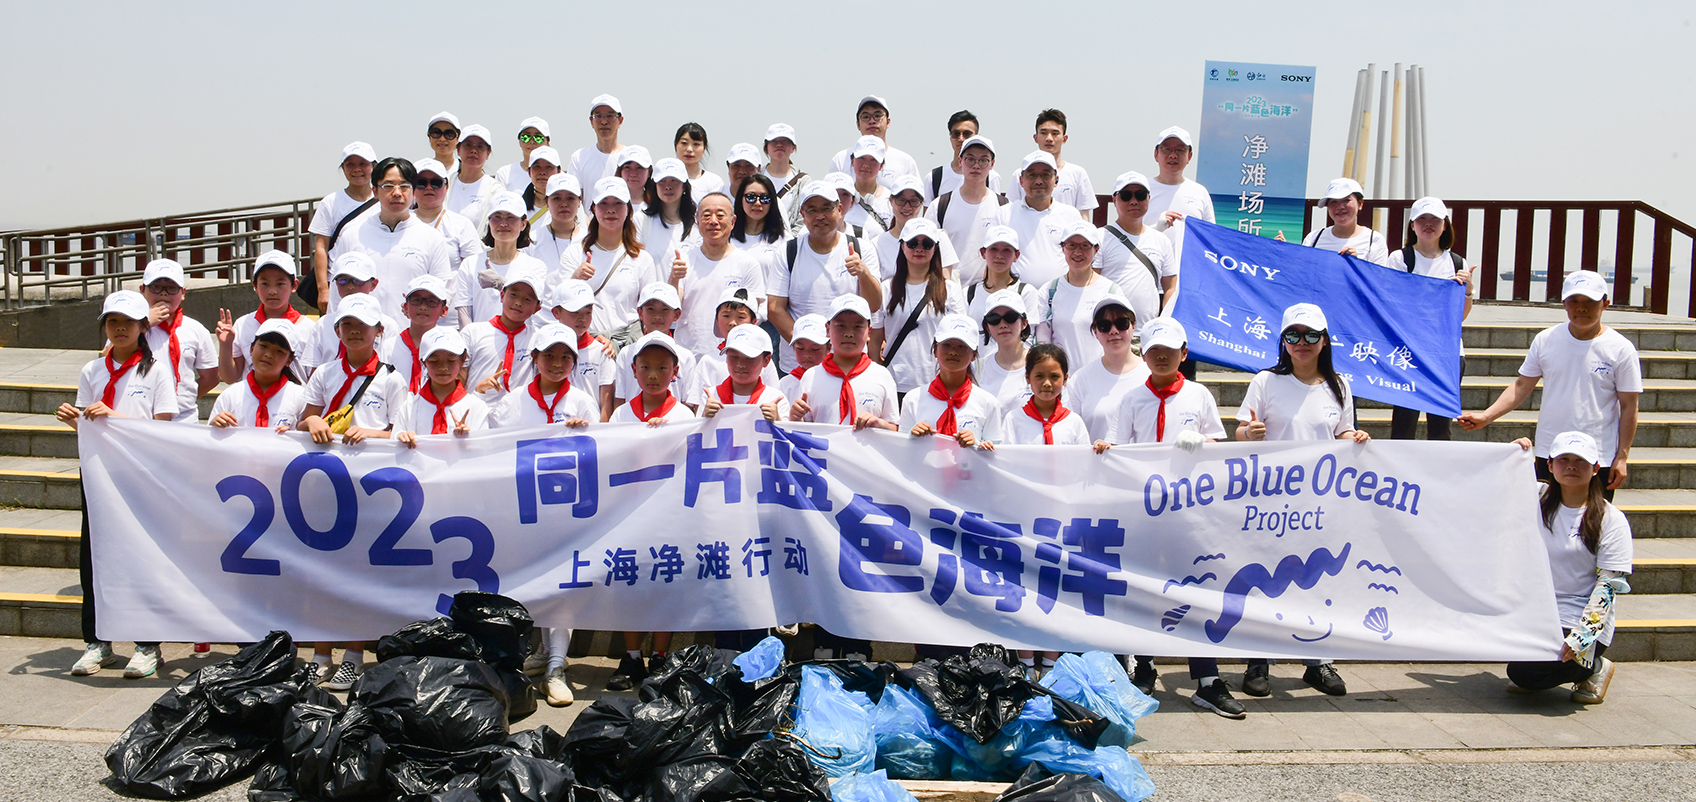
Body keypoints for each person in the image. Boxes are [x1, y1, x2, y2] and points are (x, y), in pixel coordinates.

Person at [1104, 318, 1239, 716]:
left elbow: (1218, 443)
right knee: (1145, 589)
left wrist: (1204, 443)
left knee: (1195, 590)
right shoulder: (1131, 399)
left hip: (1190, 512)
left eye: (1170, 350)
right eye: (1153, 350)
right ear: (1143, 354)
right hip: (1145, 511)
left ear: (1183, 353)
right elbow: (1120, 452)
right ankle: (1144, 663)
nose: (1161, 357)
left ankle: (1207, 678)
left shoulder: (1198, 396)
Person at [1235, 303, 1369, 698]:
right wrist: (1250, 434)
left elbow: (1343, 433)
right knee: (1265, 578)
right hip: (1271, 502)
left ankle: (1317, 660)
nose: (1302, 343)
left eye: (1311, 335)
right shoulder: (1265, 381)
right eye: (1293, 335)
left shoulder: (1339, 385)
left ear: (1325, 341)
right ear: (1283, 341)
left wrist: (1355, 439)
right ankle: (1258, 659)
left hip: (1321, 502)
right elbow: (1241, 431)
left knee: (1316, 579)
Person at [63, 291, 180, 679]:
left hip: (138, 475)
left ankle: (148, 643)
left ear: (143, 327)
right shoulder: (92, 371)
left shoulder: (156, 371)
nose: (119, 328)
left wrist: (115, 418)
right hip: (98, 473)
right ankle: (98, 641)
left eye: (127, 322)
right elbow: (90, 424)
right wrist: (77, 420)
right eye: (112, 322)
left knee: (140, 555)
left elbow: (163, 430)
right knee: (93, 554)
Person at [487, 321, 595, 707]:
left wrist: (582, 435)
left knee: (563, 584)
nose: (557, 362)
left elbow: (598, 452)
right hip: (522, 509)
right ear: (534, 358)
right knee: (528, 582)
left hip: (565, 510)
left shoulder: (582, 401)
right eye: (548, 354)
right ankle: (537, 651)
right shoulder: (513, 401)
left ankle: (556, 665)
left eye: (566, 356)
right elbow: (493, 450)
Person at [1459, 271, 1640, 498]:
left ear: (1605, 304)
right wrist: (1487, 416)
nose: (1581, 308)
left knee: (1592, 525)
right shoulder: (1546, 340)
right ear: (1564, 303)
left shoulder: (1620, 348)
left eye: (1590, 302)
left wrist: (1621, 457)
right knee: (1545, 521)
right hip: (1551, 451)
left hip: (1596, 455)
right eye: (1574, 301)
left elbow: (1629, 405)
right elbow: (1522, 385)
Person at [1504, 431, 1633, 704]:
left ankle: (1595, 668)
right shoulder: (1536, 497)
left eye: (1580, 461)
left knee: (1523, 673)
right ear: (1549, 465)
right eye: (1563, 459)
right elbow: (1488, 487)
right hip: (1534, 611)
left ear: (1596, 468)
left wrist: (1582, 637)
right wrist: (1510, 457)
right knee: (1518, 666)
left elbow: (1609, 585)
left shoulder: (1611, 520)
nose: (1571, 466)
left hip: (1576, 620)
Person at [604, 330, 696, 691]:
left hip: (669, 516)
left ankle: (659, 657)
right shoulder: (621, 415)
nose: (653, 374)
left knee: (665, 584)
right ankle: (631, 658)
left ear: (675, 371)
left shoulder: (685, 414)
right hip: (629, 515)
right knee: (631, 584)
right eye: (646, 367)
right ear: (634, 370)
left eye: (662, 367)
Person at [767, 184, 883, 371]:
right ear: (802, 215)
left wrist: (863, 273)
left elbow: (874, 305)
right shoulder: (788, 251)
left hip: (849, 365)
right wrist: (809, 347)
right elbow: (774, 308)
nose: (820, 216)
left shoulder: (862, 248)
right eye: (812, 210)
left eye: (826, 208)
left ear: (839, 210)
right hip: (798, 367)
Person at [1387, 197, 1476, 440]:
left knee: (1441, 422)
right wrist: (1436, 291)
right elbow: (1394, 306)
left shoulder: (1457, 262)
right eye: (1422, 219)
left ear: (1445, 225)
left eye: (1435, 219)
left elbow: (1461, 316)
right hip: (1410, 349)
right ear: (1412, 225)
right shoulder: (1400, 259)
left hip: (1447, 352)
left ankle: (1437, 473)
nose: (1429, 224)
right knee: (1404, 420)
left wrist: (1466, 289)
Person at [328, 157, 456, 320]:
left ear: (414, 191)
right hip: (361, 336)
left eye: (404, 186)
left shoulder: (431, 238)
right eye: (388, 186)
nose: (397, 193)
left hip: (411, 339)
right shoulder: (352, 236)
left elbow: (442, 293)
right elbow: (336, 296)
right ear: (374, 191)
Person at [560, 177, 656, 335]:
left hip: (628, 345)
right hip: (586, 343)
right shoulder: (574, 253)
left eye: (618, 203)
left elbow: (650, 310)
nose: (611, 210)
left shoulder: (642, 259)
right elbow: (561, 305)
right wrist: (575, 279)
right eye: (603, 203)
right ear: (593, 208)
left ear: (628, 209)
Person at [879, 219, 965, 393]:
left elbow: (959, 338)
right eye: (912, 243)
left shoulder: (950, 290)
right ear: (902, 246)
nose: (919, 249)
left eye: (926, 244)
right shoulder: (886, 288)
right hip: (893, 380)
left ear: (936, 248)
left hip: (936, 382)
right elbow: (875, 340)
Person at [789, 294, 900, 430]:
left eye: (858, 326)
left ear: (869, 332)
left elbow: (895, 429)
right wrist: (795, 418)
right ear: (828, 330)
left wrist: (879, 424)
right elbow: (803, 431)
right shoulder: (811, 377)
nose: (849, 333)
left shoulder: (882, 376)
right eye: (841, 326)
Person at [675, 193, 765, 355]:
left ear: (733, 221)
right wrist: (674, 278)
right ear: (697, 220)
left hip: (733, 354)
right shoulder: (683, 260)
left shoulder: (747, 263)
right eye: (707, 215)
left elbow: (753, 314)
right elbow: (673, 307)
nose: (713, 221)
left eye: (720, 215)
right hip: (687, 352)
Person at [899, 312, 1001, 448]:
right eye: (946, 345)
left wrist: (977, 444)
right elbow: (900, 452)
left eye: (962, 347)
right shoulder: (912, 399)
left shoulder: (988, 403)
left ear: (974, 355)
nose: (953, 352)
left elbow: (996, 454)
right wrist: (911, 437)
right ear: (935, 350)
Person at [218, 250, 319, 383]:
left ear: (294, 285)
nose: (272, 291)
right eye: (265, 284)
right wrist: (225, 346)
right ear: (255, 285)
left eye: (280, 284)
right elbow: (229, 378)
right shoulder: (243, 324)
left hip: (294, 402)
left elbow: (314, 380)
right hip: (251, 401)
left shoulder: (309, 328)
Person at [137, 259, 218, 423]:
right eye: (155, 287)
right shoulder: (131, 326)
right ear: (142, 290)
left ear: (183, 293)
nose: (163, 294)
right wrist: (144, 325)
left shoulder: (195, 329)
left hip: (183, 419)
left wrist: (184, 398)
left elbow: (211, 376)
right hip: (139, 417)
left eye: (172, 288)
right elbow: (109, 357)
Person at [1034, 221, 1122, 367]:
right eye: (1072, 245)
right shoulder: (1049, 291)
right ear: (1063, 248)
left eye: (1085, 246)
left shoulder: (1111, 291)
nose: (1078, 252)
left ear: (1096, 249)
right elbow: (1043, 343)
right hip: (1062, 382)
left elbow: (1118, 340)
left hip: (1099, 378)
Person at [455, 192, 547, 327]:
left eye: (511, 218)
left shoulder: (535, 267)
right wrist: (471, 342)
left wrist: (501, 284)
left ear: (523, 224)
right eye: (497, 217)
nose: (503, 224)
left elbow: (532, 304)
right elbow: (464, 313)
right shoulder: (470, 264)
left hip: (518, 343)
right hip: (480, 343)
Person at [1066, 297, 1150, 441]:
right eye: (1104, 326)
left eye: (1121, 324)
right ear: (1095, 331)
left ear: (1133, 326)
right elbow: (1070, 432)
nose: (1113, 331)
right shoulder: (1080, 379)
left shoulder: (1150, 374)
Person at [927, 135, 1006, 286]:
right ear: (960, 161)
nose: (976, 166)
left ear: (992, 164)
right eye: (970, 159)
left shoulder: (1003, 207)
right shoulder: (939, 206)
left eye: (983, 160)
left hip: (988, 292)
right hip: (947, 291)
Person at [307, 142, 377, 312]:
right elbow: (321, 247)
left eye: (363, 164)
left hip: (371, 282)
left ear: (374, 166)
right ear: (343, 168)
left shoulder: (384, 201)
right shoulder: (330, 202)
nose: (356, 169)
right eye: (350, 164)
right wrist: (323, 289)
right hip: (340, 284)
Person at [1096, 172, 1170, 329]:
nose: (1134, 201)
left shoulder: (1162, 240)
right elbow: (1091, 284)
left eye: (1140, 195)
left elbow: (1170, 287)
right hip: (1110, 332)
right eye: (1126, 195)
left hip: (1146, 334)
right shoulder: (1099, 237)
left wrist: (1164, 323)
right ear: (1114, 200)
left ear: (1148, 199)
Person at [393, 328, 489, 448]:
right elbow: (394, 449)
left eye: (451, 360)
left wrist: (469, 440)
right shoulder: (410, 406)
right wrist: (402, 438)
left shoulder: (476, 407)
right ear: (423, 362)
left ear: (463, 360)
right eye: (434, 361)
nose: (443, 367)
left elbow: (484, 453)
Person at [687, 288, 783, 407]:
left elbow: (775, 397)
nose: (732, 322)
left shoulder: (762, 359)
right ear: (716, 319)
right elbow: (698, 404)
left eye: (741, 317)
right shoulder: (708, 361)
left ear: (754, 322)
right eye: (726, 316)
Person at [304, 252, 401, 369]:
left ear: (373, 284)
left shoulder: (388, 324)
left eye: (358, 281)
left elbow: (393, 366)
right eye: (343, 281)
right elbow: (312, 369)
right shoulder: (323, 324)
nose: (350, 286)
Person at [993, 151, 1076, 288]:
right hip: (1015, 299)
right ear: (1021, 181)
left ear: (1056, 180)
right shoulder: (1004, 214)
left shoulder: (1070, 215)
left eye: (1045, 175)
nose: (1038, 181)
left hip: (1059, 297)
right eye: (1031, 175)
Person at [464, 267, 546, 403]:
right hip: (477, 411)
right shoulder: (473, 332)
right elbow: (460, 377)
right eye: (513, 295)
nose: (518, 303)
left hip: (519, 415)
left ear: (537, 309)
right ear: (502, 296)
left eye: (527, 299)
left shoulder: (538, 338)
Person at [208, 319, 305, 431]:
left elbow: (307, 439)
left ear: (289, 360)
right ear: (251, 349)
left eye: (279, 351)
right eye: (263, 346)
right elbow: (210, 441)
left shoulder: (299, 397)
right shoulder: (230, 395)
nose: (268, 355)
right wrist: (215, 425)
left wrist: (293, 437)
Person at [611, 283, 697, 410]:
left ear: (677, 314)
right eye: (650, 309)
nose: (657, 316)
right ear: (640, 313)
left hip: (672, 426)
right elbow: (620, 399)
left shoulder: (686, 356)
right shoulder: (626, 353)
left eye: (665, 309)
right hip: (634, 425)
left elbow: (687, 403)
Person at [545, 280, 616, 420]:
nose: (582, 319)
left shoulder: (602, 351)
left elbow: (606, 405)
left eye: (588, 312)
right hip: (552, 428)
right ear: (556, 313)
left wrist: (601, 434)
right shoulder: (542, 348)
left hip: (588, 430)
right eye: (575, 312)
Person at [1144, 126, 1215, 267]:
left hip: (1187, 275)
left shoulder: (1200, 192)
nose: (1173, 155)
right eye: (1166, 149)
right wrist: (1157, 227)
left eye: (1180, 150)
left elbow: (1211, 237)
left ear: (1189, 156)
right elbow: (1128, 232)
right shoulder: (1141, 189)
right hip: (1147, 272)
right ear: (1156, 154)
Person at [1006, 109, 1094, 220]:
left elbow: (1084, 217)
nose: (1049, 138)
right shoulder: (1019, 174)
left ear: (1064, 138)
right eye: (1043, 133)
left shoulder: (1078, 174)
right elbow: (1011, 211)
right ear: (1036, 138)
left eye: (1055, 133)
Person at [999, 341, 1092, 445]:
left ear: (1065, 379)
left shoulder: (1074, 422)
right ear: (1027, 378)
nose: (1047, 383)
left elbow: (1084, 459)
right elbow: (1006, 458)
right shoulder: (1014, 419)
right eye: (1039, 376)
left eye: (1054, 376)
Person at [873, 176, 959, 282]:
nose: (907, 207)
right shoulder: (877, 243)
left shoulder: (939, 238)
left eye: (914, 201)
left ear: (922, 203)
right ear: (891, 201)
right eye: (901, 200)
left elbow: (945, 283)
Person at [701, 323, 790, 421]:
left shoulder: (775, 399)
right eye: (734, 357)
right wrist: (705, 417)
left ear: (766, 361)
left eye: (749, 358)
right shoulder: (711, 396)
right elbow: (695, 434)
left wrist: (777, 420)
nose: (740, 365)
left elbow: (786, 435)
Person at [828, 95, 920, 190]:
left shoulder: (905, 162)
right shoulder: (840, 160)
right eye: (865, 117)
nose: (872, 121)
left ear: (888, 122)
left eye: (877, 116)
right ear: (858, 124)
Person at [964, 226, 1039, 339]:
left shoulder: (1026, 292)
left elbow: (1028, 337)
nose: (999, 256)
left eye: (1006, 250)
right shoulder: (968, 294)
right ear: (983, 253)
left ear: (1016, 256)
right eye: (994, 249)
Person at [382, 275, 452, 395]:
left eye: (432, 302)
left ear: (444, 310)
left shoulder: (449, 348)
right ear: (405, 307)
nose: (423, 307)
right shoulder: (389, 347)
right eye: (416, 300)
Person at [410, 158, 483, 271]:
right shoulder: (401, 222)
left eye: (436, 183)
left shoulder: (462, 225)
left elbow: (474, 269)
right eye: (421, 183)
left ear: (447, 187)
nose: (429, 187)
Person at [1297, 178, 1389, 265]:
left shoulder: (1374, 240)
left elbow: (1378, 278)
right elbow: (1303, 271)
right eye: (1334, 202)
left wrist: (1357, 264)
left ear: (1360, 204)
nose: (1340, 207)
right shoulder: (1313, 238)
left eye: (1346, 200)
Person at [974, 288, 1034, 414]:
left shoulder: (1040, 365)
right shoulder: (977, 369)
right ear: (987, 327)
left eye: (1010, 317)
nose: (1002, 325)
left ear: (1024, 323)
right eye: (994, 319)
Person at [924, 110, 1003, 203]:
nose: (961, 139)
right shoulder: (935, 177)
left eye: (967, 134)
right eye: (956, 134)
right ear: (950, 137)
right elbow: (927, 216)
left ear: (977, 136)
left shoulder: (991, 177)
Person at [446, 124, 502, 235]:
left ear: (488, 153)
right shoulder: (444, 183)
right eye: (468, 145)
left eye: (480, 147)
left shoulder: (495, 190)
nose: (473, 151)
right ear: (458, 150)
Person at [526, 174, 586, 275]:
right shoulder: (532, 240)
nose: (564, 204)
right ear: (547, 202)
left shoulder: (589, 240)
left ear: (579, 201)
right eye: (557, 198)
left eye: (570, 198)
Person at [760, 123, 811, 234]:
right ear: (766, 147)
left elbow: (804, 217)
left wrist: (789, 244)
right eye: (774, 141)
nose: (779, 145)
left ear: (793, 148)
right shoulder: (755, 178)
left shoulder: (803, 181)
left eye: (785, 141)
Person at [641, 158, 697, 255]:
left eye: (674, 180)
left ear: (684, 186)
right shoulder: (641, 220)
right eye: (662, 181)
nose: (668, 186)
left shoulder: (697, 223)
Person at [568, 94, 625, 188]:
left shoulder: (629, 159)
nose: (604, 121)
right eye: (598, 116)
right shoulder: (579, 158)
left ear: (620, 121)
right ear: (591, 121)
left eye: (610, 116)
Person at [843, 136, 893, 236]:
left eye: (873, 160)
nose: (866, 165)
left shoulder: (890, 200)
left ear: (881, 165)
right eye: (861, 158)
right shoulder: (840, 196)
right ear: (852, 161)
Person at [494, 116, 551, 192]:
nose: (531, 141)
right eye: (526, 137)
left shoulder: (559, 175)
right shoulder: (505, 174)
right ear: (520, 141)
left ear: (547, 142)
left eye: (538, 138)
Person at [781, 313, 829, 402]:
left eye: (815, 349)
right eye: (800, 348)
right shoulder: (785, 384)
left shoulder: (836, 380)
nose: (807, 355)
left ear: (829, 348)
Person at [674, 122, 726, 197]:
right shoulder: (664, 180)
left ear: (704, 148)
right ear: (676, 145)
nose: (689, 149)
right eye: (684, 143)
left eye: (696, 144)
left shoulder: (713, 182)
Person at [518, 146, 562, 225]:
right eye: (537, 167)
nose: (542, 172)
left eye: (548, 167)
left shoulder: (571, 204)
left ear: (559, 171)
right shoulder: (518, 207)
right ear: (529, 172)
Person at [615, 146, 654, 214]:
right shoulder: (610, 206)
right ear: (620, 171)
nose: (633, 174)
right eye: (627, 167)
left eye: (639, 168)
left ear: (649, 172)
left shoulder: (657, 206)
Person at [422, 111, 460, 176]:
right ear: (429, 136)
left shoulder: (467, 170)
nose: (442, 139)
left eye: (449, 134)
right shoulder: (420, 169)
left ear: (458, 137)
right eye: (436, 133)